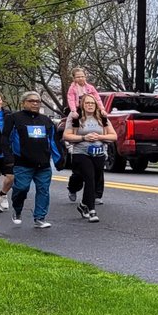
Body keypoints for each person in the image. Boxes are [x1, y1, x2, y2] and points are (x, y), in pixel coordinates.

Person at [9, 91, 63, 228]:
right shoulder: (14, 118)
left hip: (43, 164)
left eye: (37, 101)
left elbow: (53, 141)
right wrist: (8, 159)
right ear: (23, 103)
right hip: (22, 163)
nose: (35, 103)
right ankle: (17, 208)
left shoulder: (46, 120)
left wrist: (59, 160)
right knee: (21, 189)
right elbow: (6, 139)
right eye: (31, 101)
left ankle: (40, 218)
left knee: (43, 190)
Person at [63, 92, 117, 221]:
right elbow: (67, 135)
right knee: (89, 178)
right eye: (87, 103)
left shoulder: (102, 118)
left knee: (95, 179)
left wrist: (100, 137)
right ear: (82, 104)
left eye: (92, 103)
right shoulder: (76, 117)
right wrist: (83, 137)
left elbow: (114, 136)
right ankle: (92, 210)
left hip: (98, 153)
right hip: (81, 152)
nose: (90, 105)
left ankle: (83, 205)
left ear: (96, 105)